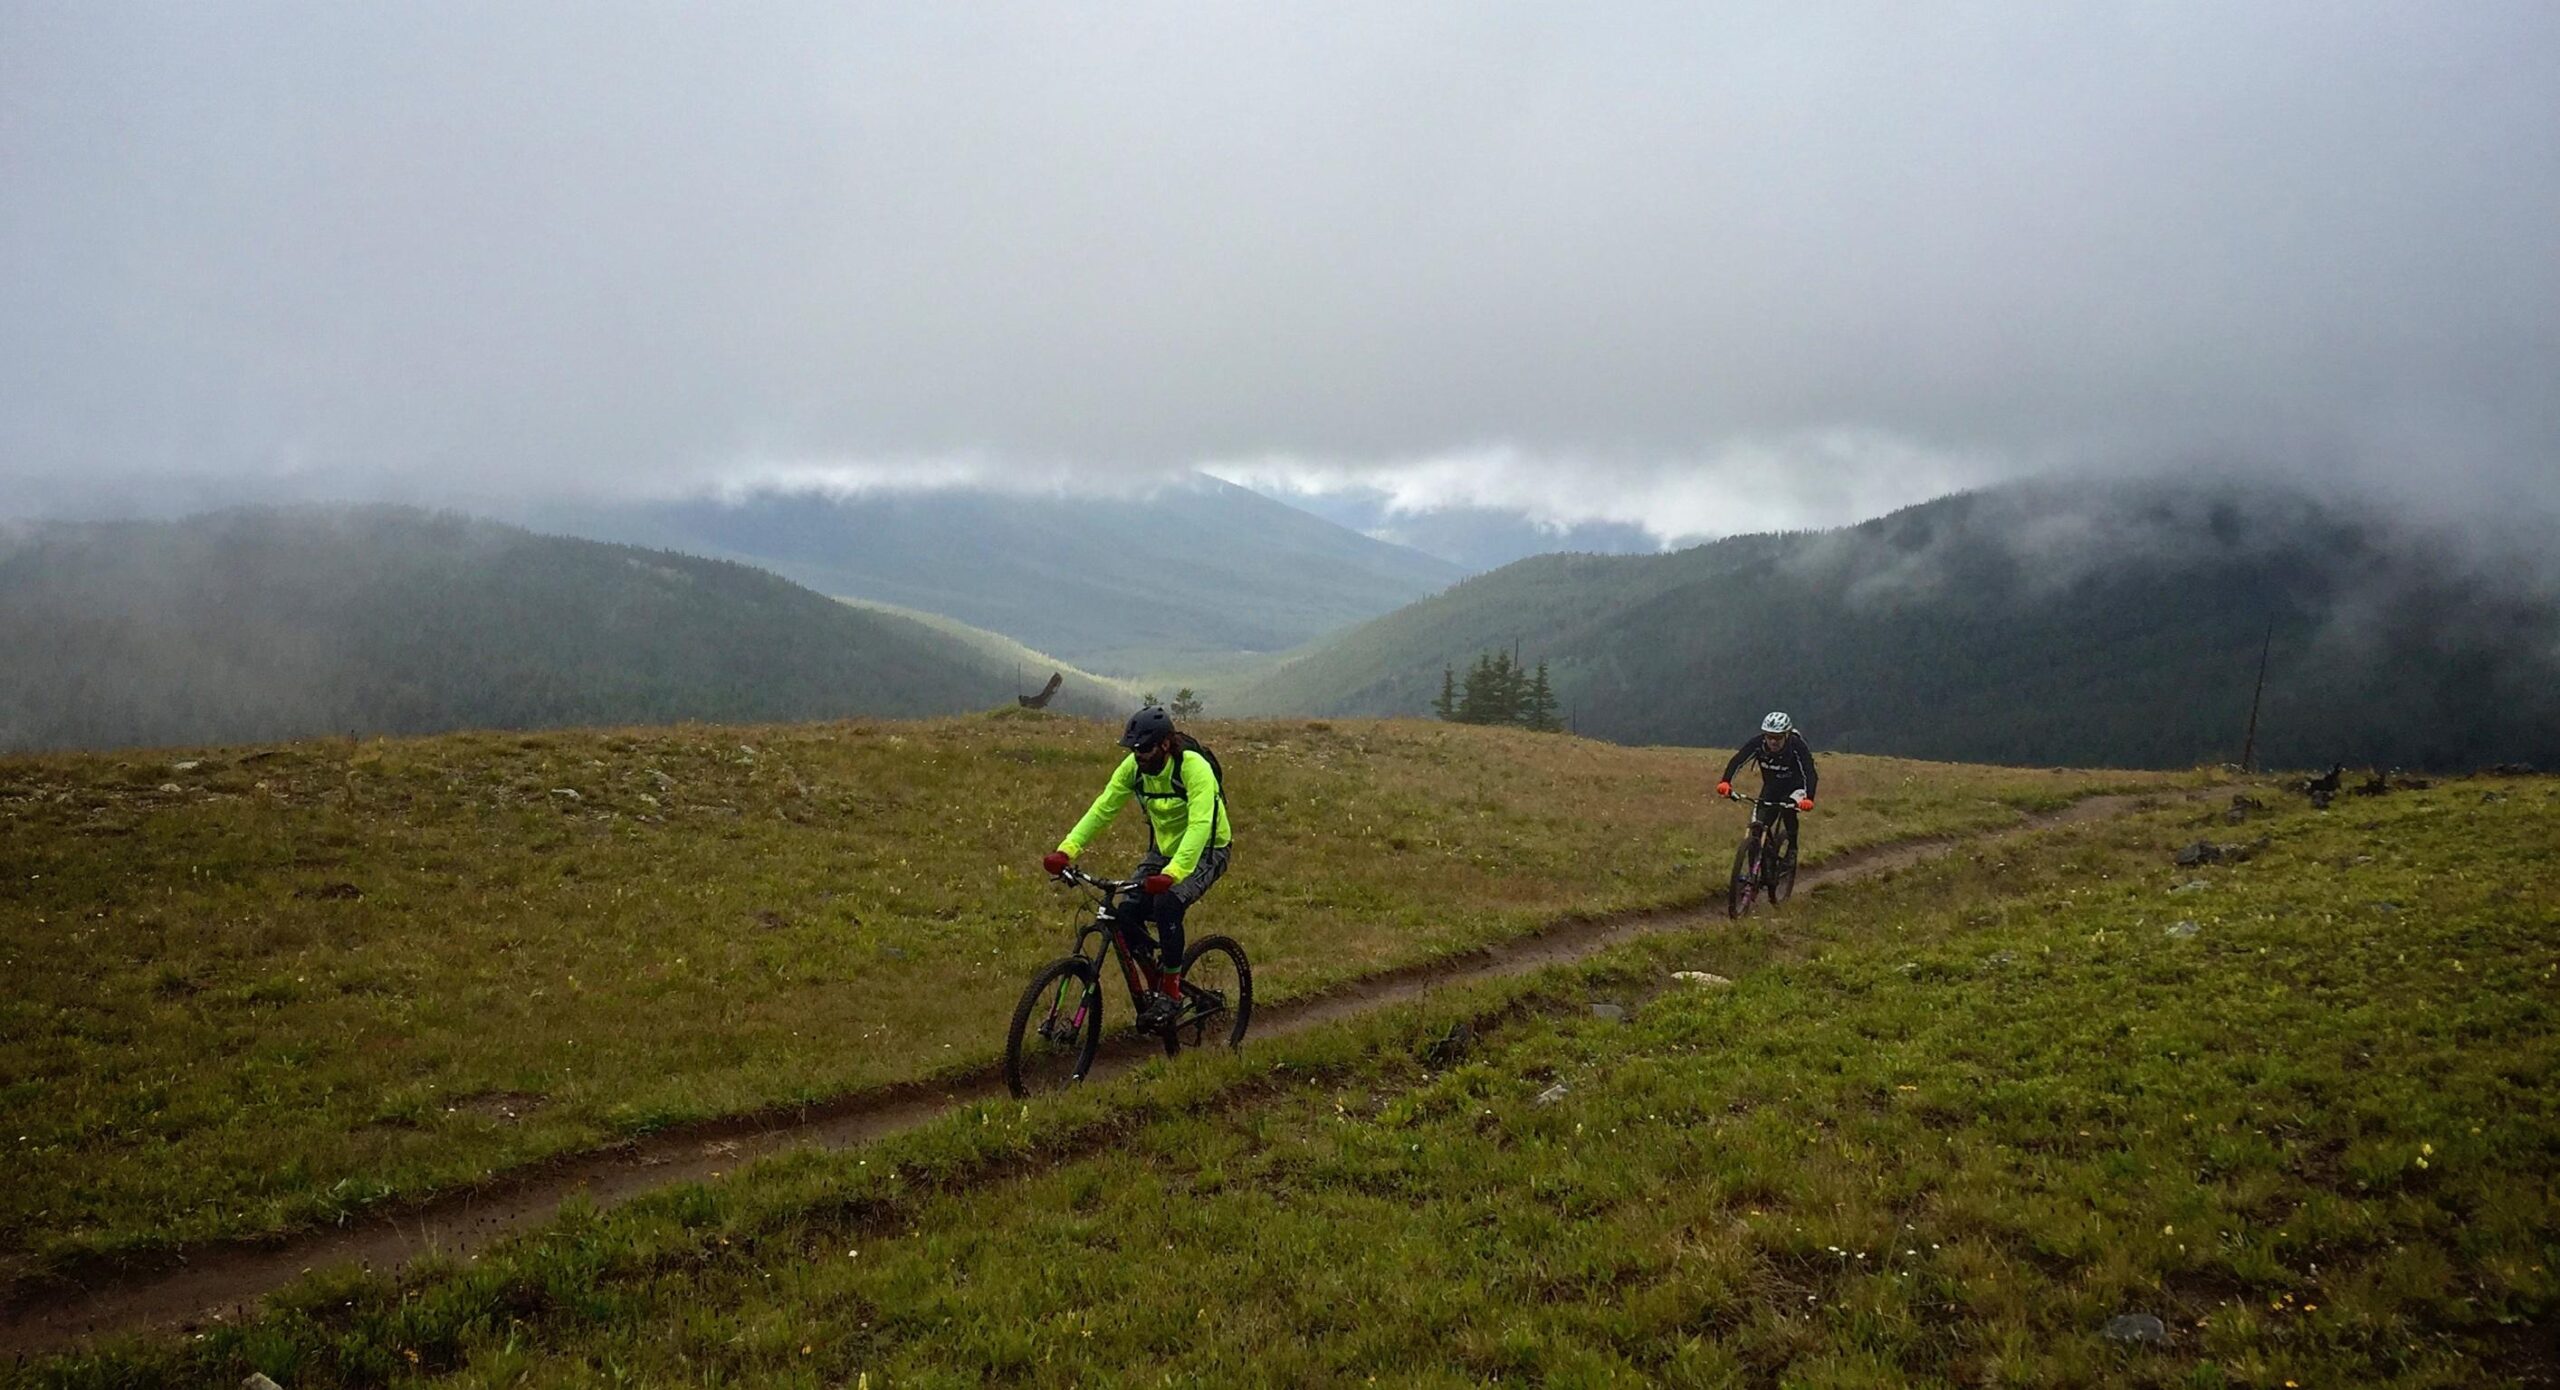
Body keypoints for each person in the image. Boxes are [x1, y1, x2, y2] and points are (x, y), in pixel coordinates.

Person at [1041, 705, 1232, 1030]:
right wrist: (1066, 850)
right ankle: (1155, 979)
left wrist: (1174, 874)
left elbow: (1201, 825)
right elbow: (1104, 808)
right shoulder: (1134, 768)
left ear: (1166, 744)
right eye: (1133, 749)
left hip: (1208, 849)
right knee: (1125, 912)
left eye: (1144, 749)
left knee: (1167, 904)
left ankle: (1170, 993)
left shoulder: (1193, 768)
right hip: (1164, 849)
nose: (1137, 755)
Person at [1717, 711, 1817, 865]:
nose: (1773, 741)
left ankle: (1792, 849)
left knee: (1788, 811)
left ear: (1786, 735)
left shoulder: (1796, 746)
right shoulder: (1758, 744)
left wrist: (1809, 798)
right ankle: (1754, 874)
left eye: (1777, 737)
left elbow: (1809, 772)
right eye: (1769, 736)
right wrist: (1726, 782)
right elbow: (1738, 760)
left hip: (1795, 787)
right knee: (1758, 827)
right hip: (1771, 787)